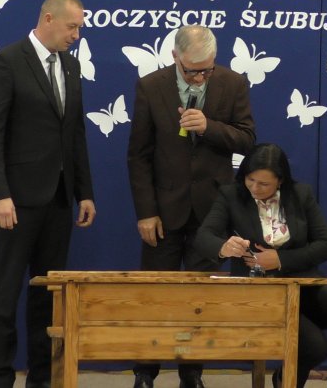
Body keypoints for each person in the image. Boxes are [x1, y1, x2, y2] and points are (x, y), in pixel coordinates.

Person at [0, 0, 97, 388]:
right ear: (48, 19)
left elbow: (75, 133)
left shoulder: (71, 66)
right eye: (72, 27)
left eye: (79, 28)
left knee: (48, 295)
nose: (76, 35)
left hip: (59, 199)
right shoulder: (7, 61)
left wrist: (84, 192)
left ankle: (41, 378)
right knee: (7, 294)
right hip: (16, 201)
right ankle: (1, 378)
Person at [127, 24, 256, 388]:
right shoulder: (150, 87)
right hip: (163, 211)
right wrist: (146, 212)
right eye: (192, 71)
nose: (200, 77)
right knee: (155, 294)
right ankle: (145, 372)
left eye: (206, 71)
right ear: (175, 57)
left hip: (211, 212)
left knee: (201, 295)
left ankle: (192, 373)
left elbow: (247, 139)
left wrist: (209, 127)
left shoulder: (233, 84)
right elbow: (139, 156)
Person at [194, 143, 327, 388]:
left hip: (302, 286)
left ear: (280, 181)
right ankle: (284, 380)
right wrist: (224, 247)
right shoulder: (230, 195)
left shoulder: (301, 194)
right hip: (259, 295)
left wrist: (281, 259)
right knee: (314, 346)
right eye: (250, 180)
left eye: (264, 184)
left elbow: (326, 244)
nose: (255, 188)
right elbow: (204, 237)